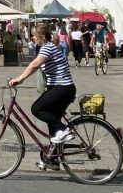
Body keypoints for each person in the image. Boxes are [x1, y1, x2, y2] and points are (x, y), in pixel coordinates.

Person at [9, 24, 76, 170]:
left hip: (62, 88)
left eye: (34, 35)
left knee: (36, 109)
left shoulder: (47, 48)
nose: (33, 38)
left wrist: (20, 78)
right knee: (52, 123)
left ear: (42, 37)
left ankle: (65, 130)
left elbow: (35, 64)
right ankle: (53, 159)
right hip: (61, 88)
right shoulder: (49, 46)